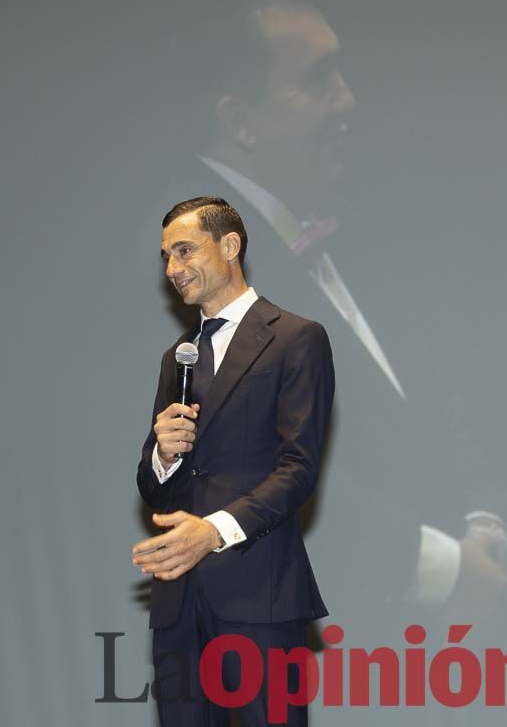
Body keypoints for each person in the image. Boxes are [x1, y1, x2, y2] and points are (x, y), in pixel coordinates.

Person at [169, 0, 507, 622]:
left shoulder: (350, 237)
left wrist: (480, 518)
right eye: (317, 79)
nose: (348, 100)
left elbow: (429, 400)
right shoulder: (186, 259)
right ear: (241, 121)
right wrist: (442, 566)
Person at [133, 197, 333, 726]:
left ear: (230, 245)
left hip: (260, 592)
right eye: (165, 258)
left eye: (184, 251)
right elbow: (155, 490)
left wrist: (213, 531)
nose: (173, 269)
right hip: (179, 602)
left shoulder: (295, 338)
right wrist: (163, 454)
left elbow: (298, 468)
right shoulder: (178, 356)